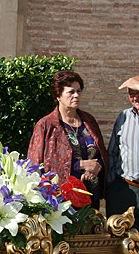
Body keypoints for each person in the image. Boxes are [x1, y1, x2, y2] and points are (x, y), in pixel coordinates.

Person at [28, 70, 108, 209]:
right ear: (58, 95)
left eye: (79, 91)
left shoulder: (89, 121)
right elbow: (36, 165)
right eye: (71, 92)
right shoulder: (46, 125)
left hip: (90, 195)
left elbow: (101, 154)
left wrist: (96, 167)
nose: (76, 95)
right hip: (61, 200)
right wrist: (80, 165)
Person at [106, 75, 139, 227]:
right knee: (121, 241)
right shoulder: (123, 117)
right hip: (125, 189)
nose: (135, 98)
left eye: (138, 93)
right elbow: (112, 152)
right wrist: (112, 186)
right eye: (131, 93)